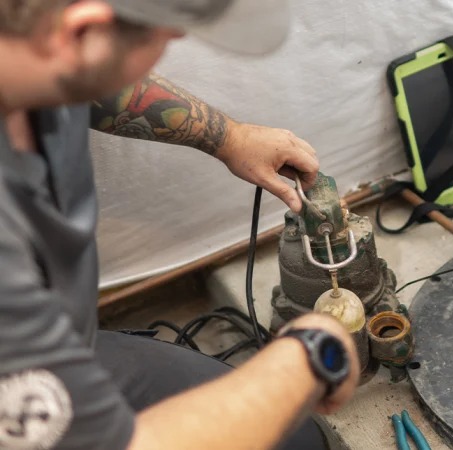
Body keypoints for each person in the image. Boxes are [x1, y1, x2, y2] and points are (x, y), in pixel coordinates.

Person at [0, 1, 360, 449]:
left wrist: (228, 137)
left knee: (296, 438)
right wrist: (313, 354)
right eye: (162, 37)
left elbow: (97, 81)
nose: (176, 43)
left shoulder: (29, 48)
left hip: (61, 342)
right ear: (80, 33)